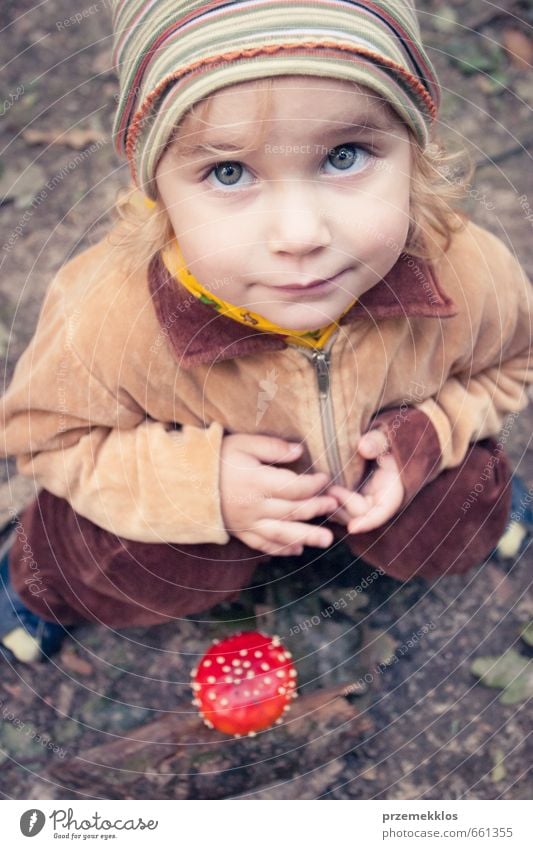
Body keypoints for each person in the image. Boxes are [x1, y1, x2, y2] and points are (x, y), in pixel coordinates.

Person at [1, 0, 532, 664]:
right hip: (190, 512)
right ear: (155, 188)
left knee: (453, 505)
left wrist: (433, 432)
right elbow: (45, 438)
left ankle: (474, 497)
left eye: (345, 155)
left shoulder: (468, 273)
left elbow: (510, 365)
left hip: (370, 484)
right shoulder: (108, 317)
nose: (299, 234)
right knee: (106, 557)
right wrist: (199, 485)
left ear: (414, 150)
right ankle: (38, 588)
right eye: (228, 172)